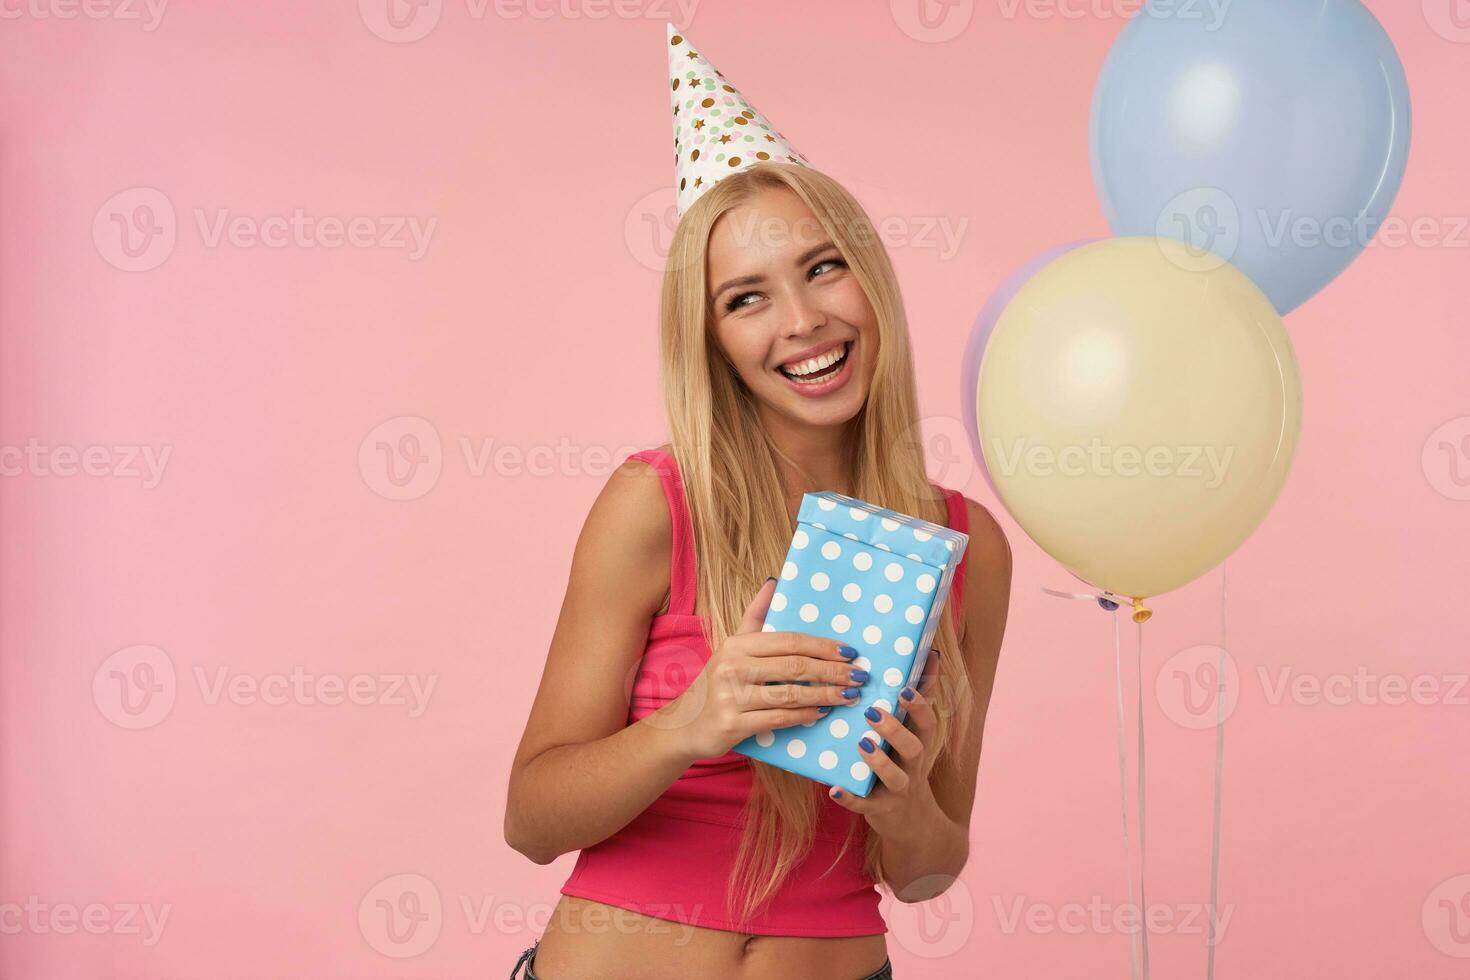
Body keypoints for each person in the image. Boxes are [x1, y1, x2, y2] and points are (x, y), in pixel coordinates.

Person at [504, 24, 1011, 979]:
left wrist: (902, 810)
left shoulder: (963, 545)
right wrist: (693, 722)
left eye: (824, 267)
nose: (803, 321)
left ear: (870, 277)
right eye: (747, 298)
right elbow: (530, 821)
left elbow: (932, 871)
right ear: (714, 341)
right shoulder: (653, 505)